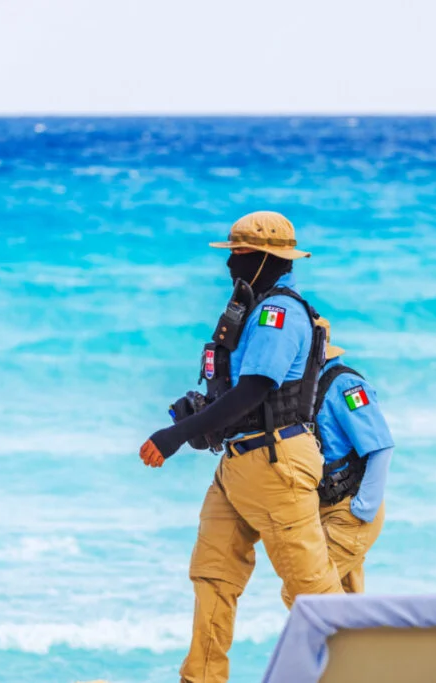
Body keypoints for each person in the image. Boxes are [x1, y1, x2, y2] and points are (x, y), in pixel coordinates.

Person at [138, 210, 343, 683]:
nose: (230, 262)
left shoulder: (278, 313)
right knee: (212, 577)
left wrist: (172, 438)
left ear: (261, 257)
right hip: (238, 463)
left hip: (276, 464)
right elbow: (231, 391)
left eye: (238, 253)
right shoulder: (253, 307)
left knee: (312, 591)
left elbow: (253, 390)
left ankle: (353, 671)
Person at [281, 317, 393, 604]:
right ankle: (362, 650)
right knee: (346, 602)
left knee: (301, 593)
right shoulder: (305, 387)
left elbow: (380, 447)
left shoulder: (345, 386)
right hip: (324, 508)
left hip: (348, 510)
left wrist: (362, 510)